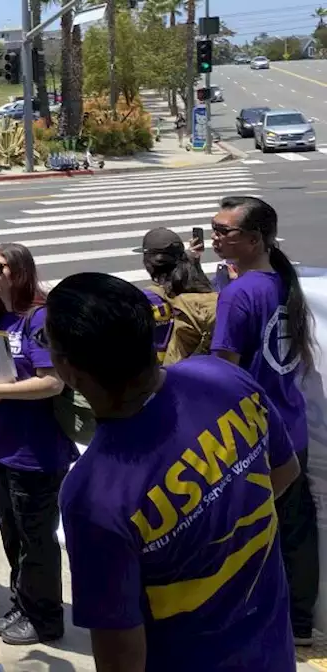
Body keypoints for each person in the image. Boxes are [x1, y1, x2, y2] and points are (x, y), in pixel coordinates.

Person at [47, 272, 300, 671]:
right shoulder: (222, 378)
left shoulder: (92, 495)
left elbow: (121, 654)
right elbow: (285, 471)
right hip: (271, 651)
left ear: (68, 369)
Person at [210, 196, 319, 646]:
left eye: (223, 231)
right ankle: (299, 625)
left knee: (246, 537)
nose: (214, 237)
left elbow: (222, 374)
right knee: (295, 529)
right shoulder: (281, 282)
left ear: (253, 240)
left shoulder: (239, 294)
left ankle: (255, 622)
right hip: (291, 429)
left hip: (252, 437)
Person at [0, 243, 76, 646]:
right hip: (3, 445)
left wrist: (0, 391)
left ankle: (45, 618)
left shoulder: (39, 318)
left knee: (36, 539)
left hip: (36, 452)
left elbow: (53, 382)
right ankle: (23, 602)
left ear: (20, 271)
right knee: (13, 535)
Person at [135, 227, 217, 364]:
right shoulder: (200, 291)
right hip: (199, 369)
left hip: (161, 374)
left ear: (148, 263)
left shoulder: (144, 301)